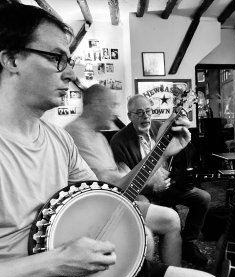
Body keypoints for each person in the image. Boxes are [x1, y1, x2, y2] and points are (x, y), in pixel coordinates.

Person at [0, 3, 229, 277]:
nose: (70, 73)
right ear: (12, 59)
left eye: (70, 61)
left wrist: (160, 150)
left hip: (79, 274)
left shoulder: (58, 139)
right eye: (56, 59)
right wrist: (59, 260)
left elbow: (113, 192)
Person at [65, 84, 182, 267]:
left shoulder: (99, 137)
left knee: (172, 218)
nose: (114, 112)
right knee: (146, 237)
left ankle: (171, 275)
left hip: (114, 200)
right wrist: (161, 155)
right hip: (98, 209)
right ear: (97, 104)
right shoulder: (77, 134)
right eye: (111, 105)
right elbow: (115, 183)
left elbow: (117, 177)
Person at [110, 94, 211, 267]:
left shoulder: (160, 128)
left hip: (170, 186)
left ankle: (188, 242)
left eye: (148, 111)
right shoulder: (119, 141)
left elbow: (180, 156)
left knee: (203, 198)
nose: (145, 117)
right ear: (129, 116)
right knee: (157, 216)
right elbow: (125, 183)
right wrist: (151, 185)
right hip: (141, 192)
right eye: (139, 113)